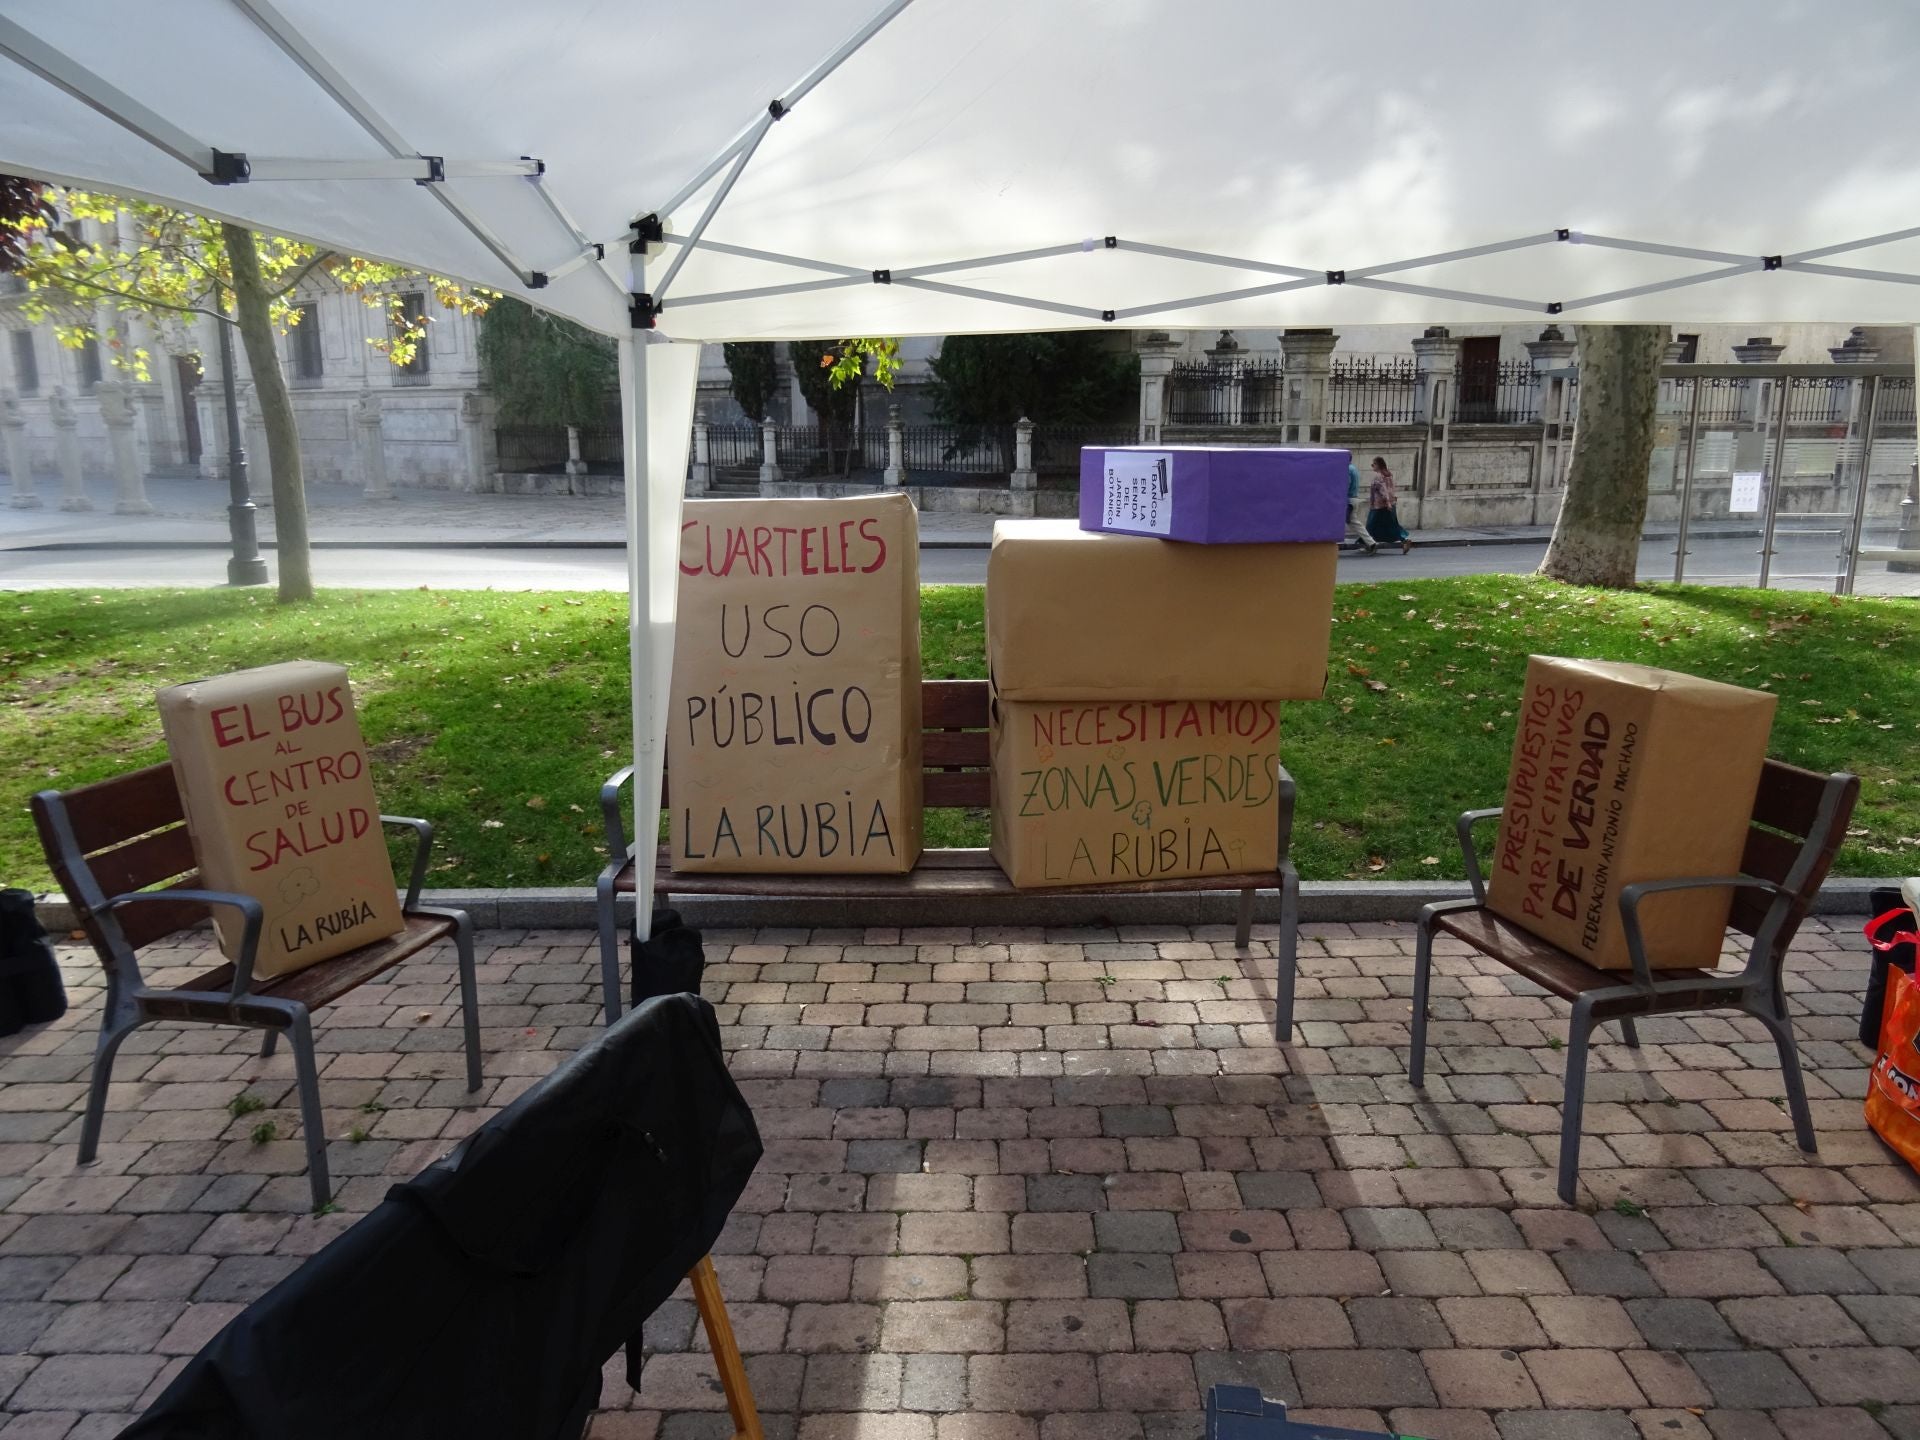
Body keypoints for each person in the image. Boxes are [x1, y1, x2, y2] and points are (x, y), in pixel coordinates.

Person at [1366, 456, 1412, 555]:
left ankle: (1370, 544)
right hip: (1390, 504)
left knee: (1370, 525)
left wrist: (1386, 502)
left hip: (1379, 505)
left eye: (1373, 464)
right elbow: (1391, 490)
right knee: (1392, 525)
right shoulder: (1389, 474)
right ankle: (1404, 539)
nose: (1372, 466)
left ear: (1378, 465)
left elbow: (1383, 491)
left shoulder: (1378, 476)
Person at [1344, 459, 1377, 556]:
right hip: (1353, 499)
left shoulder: (1348, 469)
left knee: (1353, 523)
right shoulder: (1353, 468)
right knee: (1354, 523)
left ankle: (1371, 543)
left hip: (1349, 500)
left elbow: (1347, 484)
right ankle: (1370, 543)